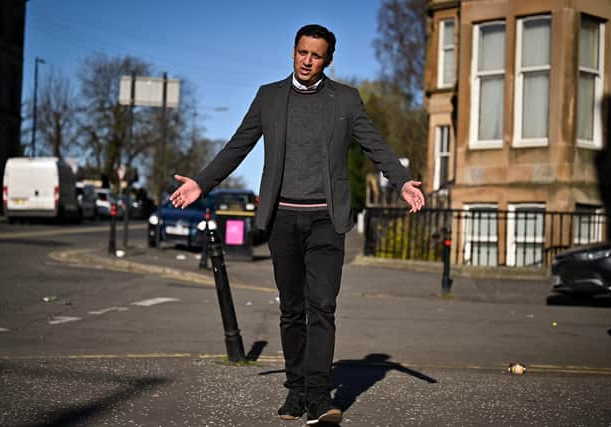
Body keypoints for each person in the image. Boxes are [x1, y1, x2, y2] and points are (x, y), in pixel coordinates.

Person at [170, 24, 425, 426]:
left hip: (326, 219)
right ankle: (296, 389)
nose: (307, 61)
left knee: (321, 307)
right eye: (302, 52)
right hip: (282, 218)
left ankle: (321, 397)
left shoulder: (345, 100)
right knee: (291, 309)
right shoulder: (269, 98)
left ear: (328, 60)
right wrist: (203, 183)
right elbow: (238, 145)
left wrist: (400, 179)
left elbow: (374, 144)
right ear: (293, 52)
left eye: (316, 55)